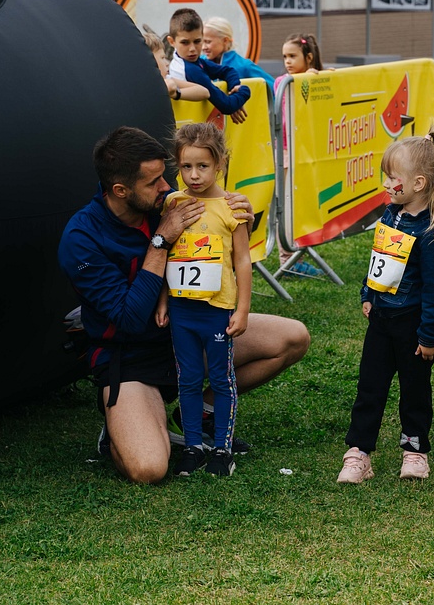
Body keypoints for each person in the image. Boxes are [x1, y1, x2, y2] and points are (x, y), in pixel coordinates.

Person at [57, 126, 310, 484]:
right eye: (154, 182)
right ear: (120, 191)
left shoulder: (172, 202)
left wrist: (241, 224)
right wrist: (161, 241)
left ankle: (198, 415)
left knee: (292, 337)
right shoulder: (81, 238)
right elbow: (129, 318)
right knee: (148, 468)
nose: (168, 186)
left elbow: (217, 247)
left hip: (192, 327)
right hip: (131, 357)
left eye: (165, 175)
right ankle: (121, 425)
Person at [336, 131, 434, 484]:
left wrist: (430, 334)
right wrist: (367, 293)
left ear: (418, 182)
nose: (387, 184)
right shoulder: (391, 215)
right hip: (381, 319)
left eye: (392, 177)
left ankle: (415, 451)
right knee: (369, 387)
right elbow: (379, 259)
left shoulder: (433, 231)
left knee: (414, 390)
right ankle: (359, 452)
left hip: (413, 325)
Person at [153, 124, 250, 478]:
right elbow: (169, 254)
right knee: (189, 380)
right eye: (186, 167)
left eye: (203, 166)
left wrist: (242, 309)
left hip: (217, 310)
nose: (194, 175)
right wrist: (163, 299)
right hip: (182, 309)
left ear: (220, 162)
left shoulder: (232, 208)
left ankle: (222, 448)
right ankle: (193, 445)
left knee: (222, 379)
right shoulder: (173, 203)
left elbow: (242, 260)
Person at [273, 33, 325, 278]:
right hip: (285, 153)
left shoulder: (315, 81)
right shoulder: (283, 82)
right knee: (287, 206)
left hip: (307, 153)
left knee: (302, 204)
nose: (287, 61)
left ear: (309, 57)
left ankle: (300, 254)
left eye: (292, 56)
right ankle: (288, 260)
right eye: (284, 56)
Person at [166, 8, 251, 125]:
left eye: (197, 41)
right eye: (185, 42)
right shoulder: (191, 70)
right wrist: (244, 91)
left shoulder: (188, 60)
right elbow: (227, 106)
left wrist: (234, 87)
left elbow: (227, 70)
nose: (192, 48)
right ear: (171, 41)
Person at [202, 16, 276, 97]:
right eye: (201, 42)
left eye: (208, 42)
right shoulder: (199, 63)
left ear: (225, 40)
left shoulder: (244, 66)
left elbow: (275, 88)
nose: (203, 47)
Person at [142, 25, 209, 105]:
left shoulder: (168, 79)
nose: (167, 63)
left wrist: (176, 93)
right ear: (148, 61)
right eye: (162, 58)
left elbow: (204, 92)